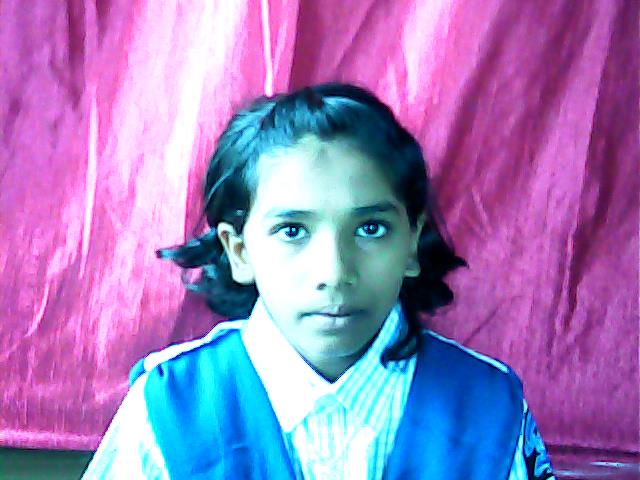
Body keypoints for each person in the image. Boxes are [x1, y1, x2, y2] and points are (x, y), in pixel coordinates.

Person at [82, 83, 555, 479]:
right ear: (239, 251)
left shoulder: (488, 408)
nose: (334, 273)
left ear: (412, 243)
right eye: (292, 231)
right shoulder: (171, 408)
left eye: (371, 229)